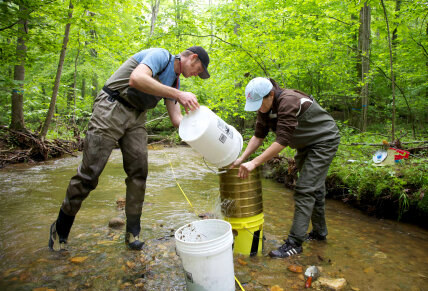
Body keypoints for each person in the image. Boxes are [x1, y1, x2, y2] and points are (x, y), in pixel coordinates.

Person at [49, 46, 210, 251]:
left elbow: (177, 120)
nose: (197, 74)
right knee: (90, 173)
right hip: (111, 106)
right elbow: (137, 79)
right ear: (192, 57)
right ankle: (60, 229)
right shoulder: (161, 56)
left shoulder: (175, 81)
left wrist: (206, 133)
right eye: (199, 69)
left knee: (139, 172)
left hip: (137, 117)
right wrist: (178, 94)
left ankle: (133, 232)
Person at [230, 77, 340, 258]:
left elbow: (282, 141)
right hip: (305, 144)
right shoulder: (265, 108)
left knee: (305, 189)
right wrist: (242, 158)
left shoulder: (288, 101)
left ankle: (295, 243)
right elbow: (258, 136)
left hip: (324, 141)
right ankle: (320, 233)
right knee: (316, 189)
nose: (258, 108)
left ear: (271, 94)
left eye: (259, 103)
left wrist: (255, 162)